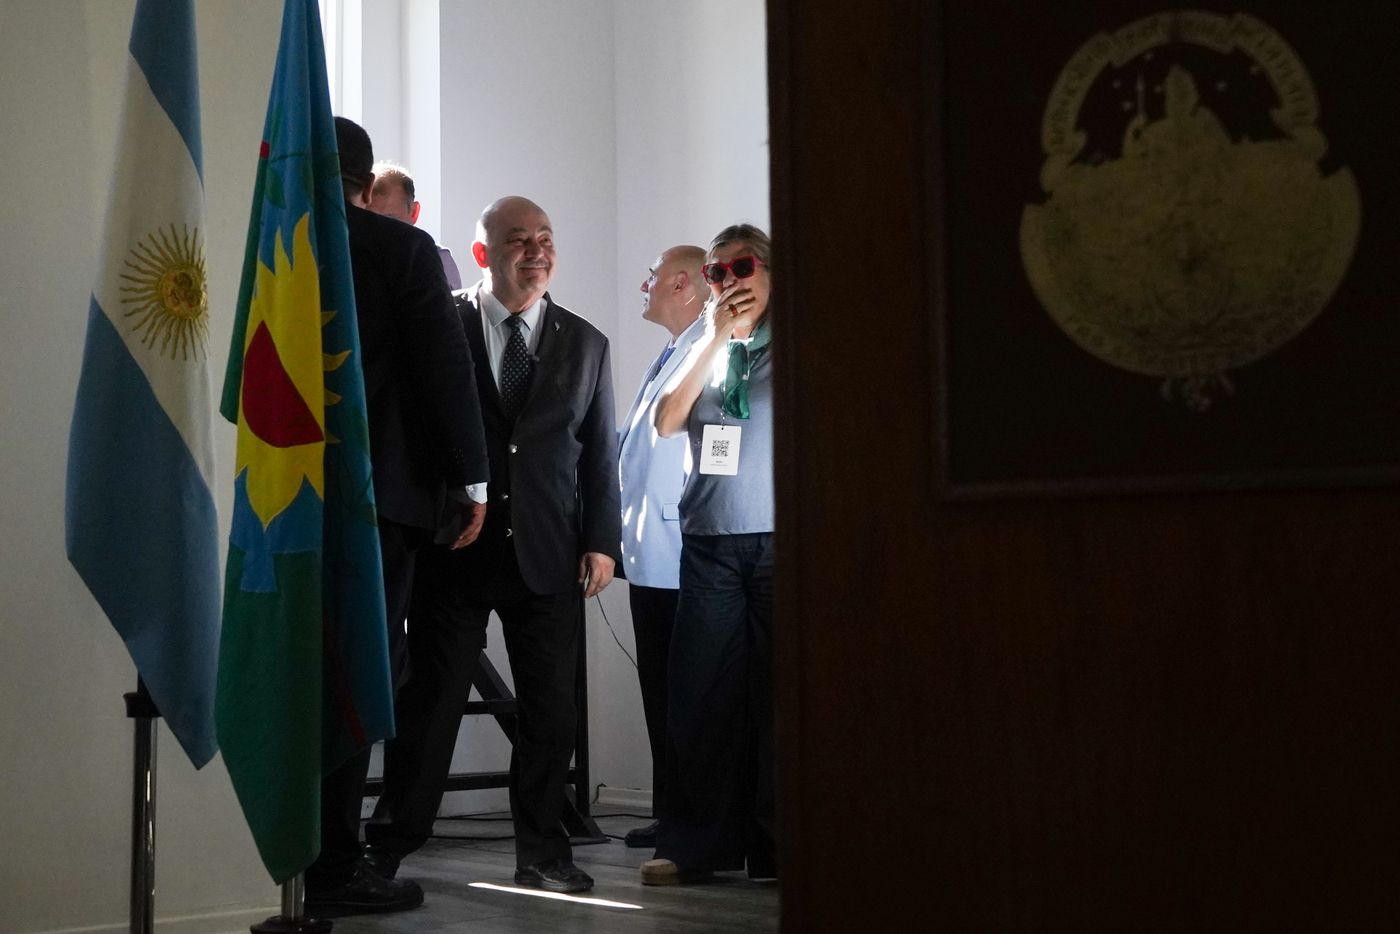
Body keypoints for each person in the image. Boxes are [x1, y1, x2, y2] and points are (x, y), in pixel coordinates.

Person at [365, 196, 621, 894]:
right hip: (454, 553)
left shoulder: (587, 342)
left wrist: (602, 540)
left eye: (545, 238)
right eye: (517, 240)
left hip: (550, 556)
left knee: (549, 717)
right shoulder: (438, 323)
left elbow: (599, 454)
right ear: (482, 254)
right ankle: (389, 847)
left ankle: (544, 853)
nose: (535, 251)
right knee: (429, 710)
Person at [306, 117, 489, 918]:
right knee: (357, 677)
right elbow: (441, 373)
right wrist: (472, 482)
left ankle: (268, 856)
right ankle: (337, 866)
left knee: (289, 671)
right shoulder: (399, 249)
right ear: (365, 179)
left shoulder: (268, 250)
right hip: (377, 504)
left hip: (275, 503)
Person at [641, 224, 776, 885]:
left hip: (782, 541)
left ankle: (780, 846)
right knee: (701, 698)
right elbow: (667, 422)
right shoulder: (702, 342)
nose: (729, 282)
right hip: (711, 544)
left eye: (743, 267)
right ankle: (697, 844)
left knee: (783, 698)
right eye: (718, 273)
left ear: (771, 272)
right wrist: (716, 338)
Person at [617, 245, 708, 849]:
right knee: (659, 691)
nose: (643, 285)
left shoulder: (711, 348)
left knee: (687, 697)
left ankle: (692, 817)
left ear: (681, 283)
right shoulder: (672, 349)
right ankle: (670, 808)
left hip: (682, 558)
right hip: (648, 556)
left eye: (652, 275)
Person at [368, 161, 464, 289]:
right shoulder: (349, 259)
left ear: (413, 212)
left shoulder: (438, 260)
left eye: (390, 221)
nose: (380, 231)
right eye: (369, 220)